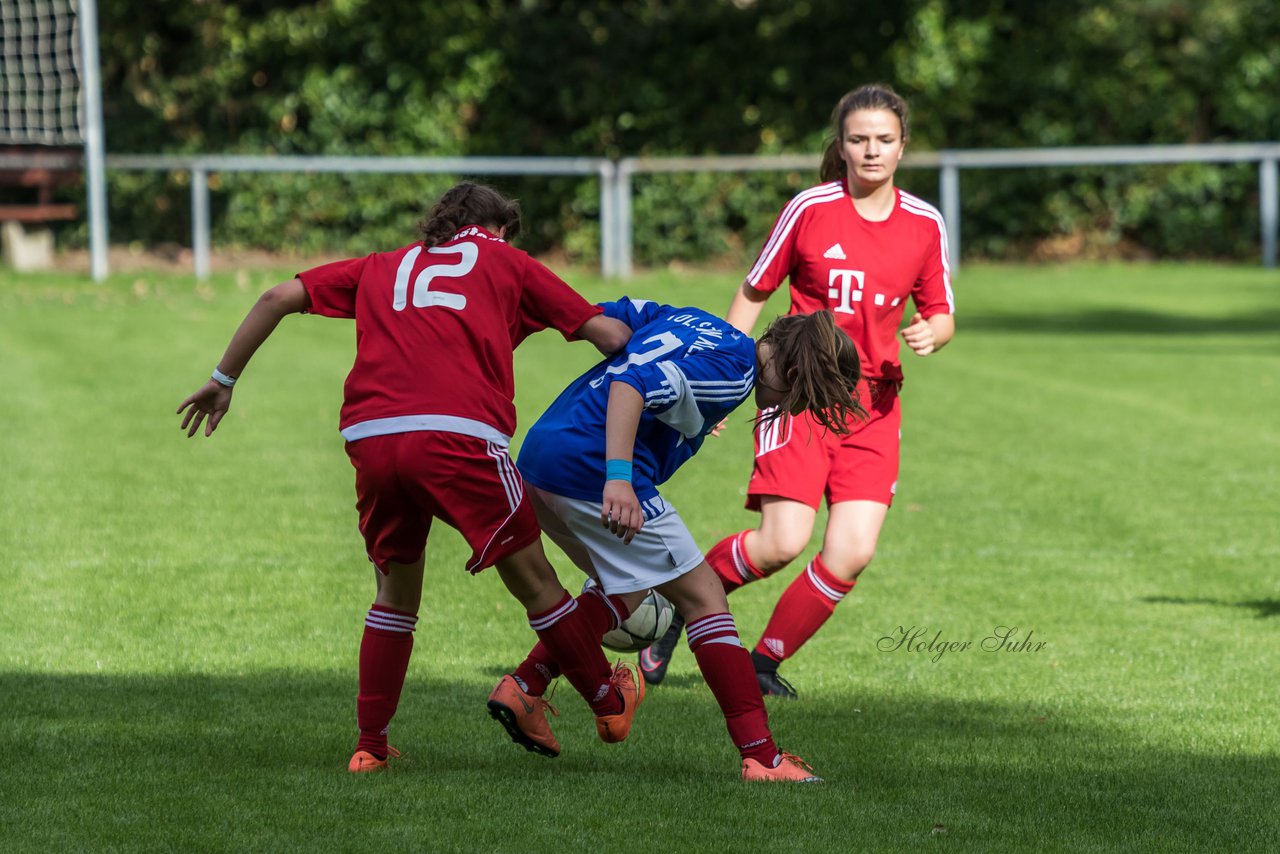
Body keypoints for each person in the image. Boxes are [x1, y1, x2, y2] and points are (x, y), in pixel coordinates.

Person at [176, 182, 643, 772]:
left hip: (372, 436)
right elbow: (610, 337)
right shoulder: (508, 261)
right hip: (459, 435)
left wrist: (224, 378)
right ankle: (608, 701)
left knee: (394, 595)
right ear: (496, 229)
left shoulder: (382, 265)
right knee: (537, 582)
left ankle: (369, 746)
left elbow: (275, 296)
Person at [639, 83, 956, 698]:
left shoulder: (923, 223)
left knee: (850, 554)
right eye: (858, 139)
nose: (871, 151)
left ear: (902, 146)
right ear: (839, 146)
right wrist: (718, 378)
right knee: (782, 542)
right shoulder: (811, 207)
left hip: (874, 408)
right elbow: (755, 292)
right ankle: (677, 601)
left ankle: (761, 664)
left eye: (884, 140)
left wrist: (932, 332)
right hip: (800, 395)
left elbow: (942, 311)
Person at [485, 297, 862, 782]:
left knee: (627, 585)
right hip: (591, 469)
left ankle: (526, 686)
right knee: (705, 599)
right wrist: (619, 477)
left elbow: (607, 315)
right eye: (804, 398)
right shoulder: (734, 373)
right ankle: (762, 758)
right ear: (791, 372)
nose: (796, 409)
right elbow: (631, 383)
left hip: (543, 455)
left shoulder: (700, 321)